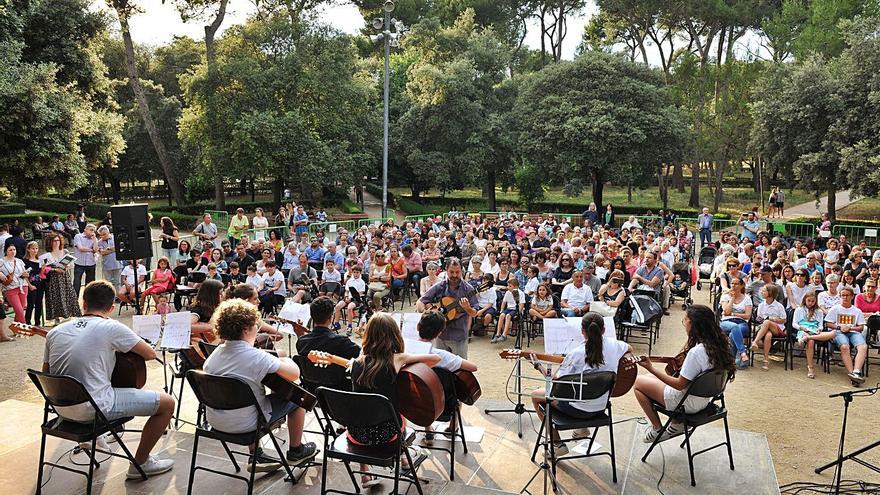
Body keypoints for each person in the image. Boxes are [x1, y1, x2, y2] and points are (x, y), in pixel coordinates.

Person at [43, 280, 175, 478]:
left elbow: (47, 372)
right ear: (112, 308)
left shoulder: (54, 331)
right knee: (167, 403)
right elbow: (148, 354)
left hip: (60, 408)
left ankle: (99, 439)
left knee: (96, 381)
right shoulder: (111, 327)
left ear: (83, 304)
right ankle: (141, 463)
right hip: (93, 409)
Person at [203, 299, 317, 471]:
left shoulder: (215, 354)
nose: (258, 328)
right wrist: (284, 359)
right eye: (255, 325)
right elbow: (295, 374)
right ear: (246, 329)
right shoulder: (256, 357)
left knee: (247, 400)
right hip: (248, 424)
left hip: (216, 420)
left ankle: (256, 455)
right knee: (298, 398)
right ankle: (296, 450)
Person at [349, 313, 439, 487]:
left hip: (357, 434)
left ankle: (365, 475)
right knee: (398, 413)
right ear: (395, 335)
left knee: (365, 412)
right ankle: (405, 458)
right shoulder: (397, 359)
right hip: (388, 434)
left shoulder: (357, 362)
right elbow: (435, 359)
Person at [530, 312, 633, 453]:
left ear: (583, 331)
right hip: (600, 406)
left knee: (536, 395)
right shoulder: (615, 345)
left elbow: (556, 380)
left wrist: (539, 366)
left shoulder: (577, 353)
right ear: (603, 330)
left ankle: (557, 445)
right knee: (583, 389)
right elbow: (629, 349)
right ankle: (582, 429)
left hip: (577, 409)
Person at [634, 305, 735, 443]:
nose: (684, 323)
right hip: (704, 400)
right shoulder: (720, 346)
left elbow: (679, 385)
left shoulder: (697, 352)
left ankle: (657, 428)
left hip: (685, 403)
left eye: (685, 320)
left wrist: (651, 368)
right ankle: (676, 424)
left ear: (693, 324)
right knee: (648, 379)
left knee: (638, 382)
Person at [416, 311, 478, 442]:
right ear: (439, 333)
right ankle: (453, 426)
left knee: (421, 385)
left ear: (417, 327)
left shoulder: (404, 350)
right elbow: (473, 367)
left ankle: (428, 430)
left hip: (412, 404)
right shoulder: (441, 356)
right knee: (456, 386)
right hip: (441, 406)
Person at [417, 258, 479, 358]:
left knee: (460, 369)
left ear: (461, 271)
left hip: (459, 335)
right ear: (446, 270)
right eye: (451, 272)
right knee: (439, 367)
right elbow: (420, 301)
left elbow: (474, 313)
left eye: (457, 272)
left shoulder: (468, 289)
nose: (454, 275)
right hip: (440, 335)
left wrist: (468, 308)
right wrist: (428, 314)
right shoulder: (439, 286)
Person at [297, 296, 361, 386]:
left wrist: (300, 334)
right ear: (331, 318)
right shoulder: (341, 342)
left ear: (311, 316)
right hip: (337, 391)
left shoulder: (301, 341)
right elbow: (362, 356)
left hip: (311, 388)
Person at [824, 287, 868, 384]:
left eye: (847, 295)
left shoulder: (857, 311)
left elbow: (861, 327)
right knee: (844, 347)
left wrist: (850, 328)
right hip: (838, 332)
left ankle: (856, 371)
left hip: (853, 332)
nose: (845, 297)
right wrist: (840, 328)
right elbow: (828, 323)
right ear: (839, 296)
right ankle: (852, 373)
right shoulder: (835, 309)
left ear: (852, 296)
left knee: (863, 347)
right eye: (842, 295)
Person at [749, 284, 787, 370]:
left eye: (764, 291)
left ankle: (755, 341)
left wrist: (772, 319)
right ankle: (766, 360)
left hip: (777, 329)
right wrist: (765, 321)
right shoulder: (761, 305)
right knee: (768, 335)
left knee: (767, 322)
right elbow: (759, 318)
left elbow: (784, 320)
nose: (762, 292)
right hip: (764, 328)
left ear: (770, 293)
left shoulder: (779, 306)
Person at [793, 292, 829, 379]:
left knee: (811, 340)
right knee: (810, 339)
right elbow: (794, 323)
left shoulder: (819, 311)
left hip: (813, 329)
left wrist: (819, 329)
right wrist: (801, 327)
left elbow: (820, 324)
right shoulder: (799, 309)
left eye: (813, 301)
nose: (810, 303)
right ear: (805, 300)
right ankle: (811, 367)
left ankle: (810, 367)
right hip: (803, 328)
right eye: (808, 301)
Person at [718, 278, 752, 367]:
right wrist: (732, 299)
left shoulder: (747, 298)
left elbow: (748, 315)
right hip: (726, 321)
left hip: (742, 322)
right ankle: (742, 352)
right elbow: (726, 311)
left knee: (733, 333)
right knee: (734, 327)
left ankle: (730, 360)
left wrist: (734, 313)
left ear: (741, 286)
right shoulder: (725, 296)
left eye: (736, 284)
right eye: (732, 283)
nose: (733, 285)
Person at [491, 278, 525, 344]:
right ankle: (498, 334)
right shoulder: (508, 292)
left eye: (510, 286)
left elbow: (521, 305)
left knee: (508, 316)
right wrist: (501, 310)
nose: (508, 287)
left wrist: (518, 313)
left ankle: (504, 335)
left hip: (516, 309)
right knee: (502, 315)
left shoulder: (520, 293)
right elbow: (504, 302)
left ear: (516, 287)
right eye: (508, 286)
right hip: (509, 308)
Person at [0, 244, 28, 322]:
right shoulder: (2, 261)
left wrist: (25, 274)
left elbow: (24, 272)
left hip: (23, 287)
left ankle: (16, 329)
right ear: (6, 251)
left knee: (20, 311)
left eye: (14, 249)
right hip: (10, 289)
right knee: (19, 311)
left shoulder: (19, 261)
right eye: (10, 250)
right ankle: (24, 329)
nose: (13, 252)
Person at [72, 224, 98, 296]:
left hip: (91, 263)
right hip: (79, 263)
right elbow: (81, 249)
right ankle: (75, 300)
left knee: (90, 283)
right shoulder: (78, 236)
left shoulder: (94, 239)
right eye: (91, 230)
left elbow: (95, 250)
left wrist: (95, 241)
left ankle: (88, 299)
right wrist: (91, 250)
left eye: (94, 231)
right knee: (77, 282)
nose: (93, 232)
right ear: (85, 230)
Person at [24, 241, 44, 326]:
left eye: (36, 248)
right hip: (31, 284)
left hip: (40, 284)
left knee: (39, 304)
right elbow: (25, 275)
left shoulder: (39, 260)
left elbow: (41, 274)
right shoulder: (25, 261)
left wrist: (43, 268)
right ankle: (27, 322)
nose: (35, 250)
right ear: (28, 249)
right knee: (31, 304)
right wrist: (30, 285)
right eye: (33, 248)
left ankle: (37, 322)